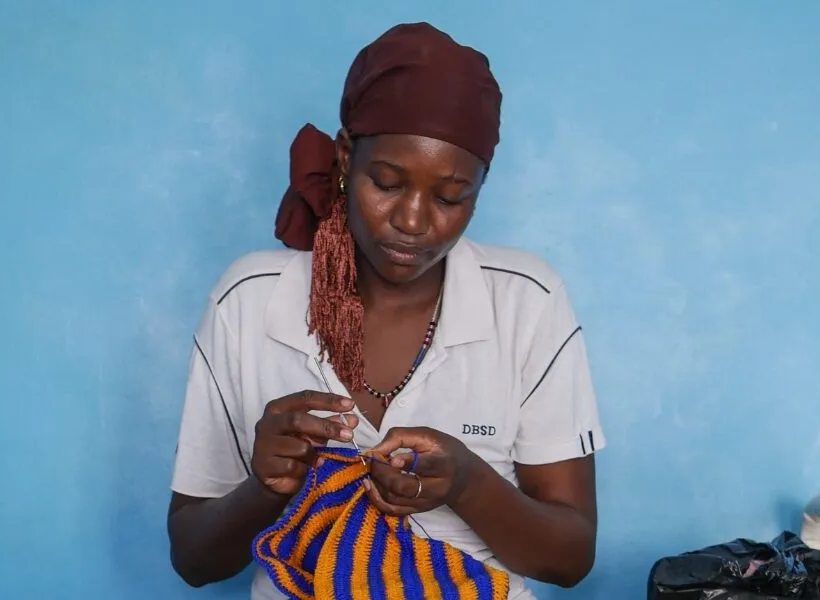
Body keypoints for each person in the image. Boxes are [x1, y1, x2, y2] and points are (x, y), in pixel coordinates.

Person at [167, 22, 605, 600]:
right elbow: (194, 560)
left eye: (451, 196)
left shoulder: (527, 300)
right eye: (388, 183)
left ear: (480, 187)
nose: (415, 221)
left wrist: (468, 483)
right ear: (346, 157)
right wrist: (267, 488)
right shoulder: (248, 300)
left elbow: (570, 559)